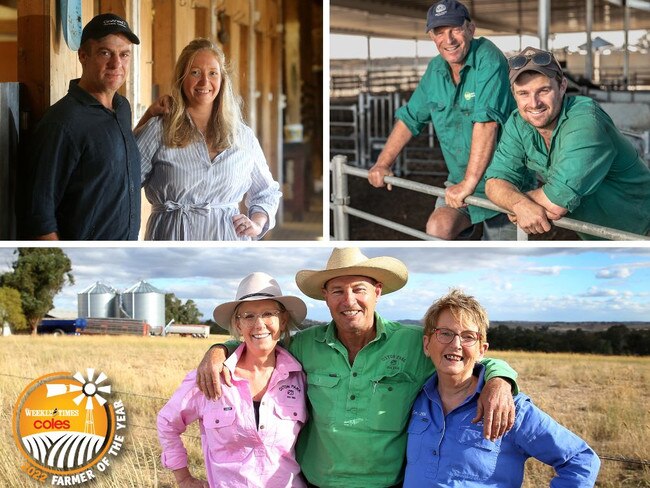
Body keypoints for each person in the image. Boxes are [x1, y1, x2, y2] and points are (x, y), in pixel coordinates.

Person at [196, 247, 519, 487]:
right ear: (326, 297)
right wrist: (218, 349)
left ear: (377, 291)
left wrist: (499, 380)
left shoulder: (413, 342)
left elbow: (465, 355)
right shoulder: (304, 346)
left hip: (387, 484)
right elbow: (260, 344)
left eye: (358, 289)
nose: (348, 300)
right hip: (316, 483)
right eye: (338, 291)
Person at [404, 289, 601, 486]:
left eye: (468, 336)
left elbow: (581, 460)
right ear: (427, 344)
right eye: (445, 333)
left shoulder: (510, 407)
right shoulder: (415, 399)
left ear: (482, 350)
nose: (456, 344)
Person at [367, 0, 516, 241]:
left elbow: (487, 122)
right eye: (439, 32)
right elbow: (410, 117)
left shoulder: (489, 58)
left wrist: (469, 183)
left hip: (505, 181)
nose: (449, 39)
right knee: (439, 228)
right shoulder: (436, 70)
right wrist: (382, 163)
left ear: (471, 29)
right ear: (431, 37)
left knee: (503, 250)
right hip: (460, 181)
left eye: (455, 29)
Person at [157, 272, 308, 488]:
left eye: (268, 314)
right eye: (248, 316)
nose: (259, 324)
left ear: (282, 321)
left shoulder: (299, 376)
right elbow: (167, 422)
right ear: (238, 325)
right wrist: (183, 478)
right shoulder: (210, 377)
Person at [485, 46, 650, 240]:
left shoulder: (586, 120)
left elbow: (556, 202)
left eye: (543, 90)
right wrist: (520, 206)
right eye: (523, 93)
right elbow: (494, 182)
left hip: (642, 231)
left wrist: (514, 203)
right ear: (513, 94)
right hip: (601, 239)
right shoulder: (518, 122)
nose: (534, 102)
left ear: (562, 86)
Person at [135, 38, 281, 240]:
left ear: (222, 79)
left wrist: (256, 223)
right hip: (172, 240)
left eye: (213, 73)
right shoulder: (159, 130)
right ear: (181, 78)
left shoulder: (242, 136)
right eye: (195, 73)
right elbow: (123, 179)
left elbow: (267, 191)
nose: (204, 82)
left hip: (230, 244)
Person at [19, 13, 141, 240]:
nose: (117, 64)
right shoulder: (61, 123)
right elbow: (39, 217)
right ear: (83, 56)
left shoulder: (122, 108)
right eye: (105, 53)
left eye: (124, 54)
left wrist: (151, 114)